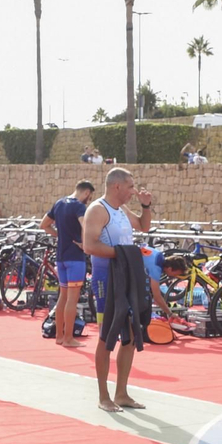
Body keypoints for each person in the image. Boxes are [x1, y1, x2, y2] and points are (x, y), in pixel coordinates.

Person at [81, 167, 154, 412]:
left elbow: (143, 226)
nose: (134, 191)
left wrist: (146, 206)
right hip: (106, 279)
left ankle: (121, 393)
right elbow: (89, 246)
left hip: (126, 276)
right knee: (106, 337)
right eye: (131, 187)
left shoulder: (121, 210)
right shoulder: (97, 210)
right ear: (117, 186)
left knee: (130, 336)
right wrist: (125, 254)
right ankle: (104, 396)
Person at [41, 180, 95, 348]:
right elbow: (85, 225)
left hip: (61, 256)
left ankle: (59, 336)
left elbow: (44, 225)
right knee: (72, 299)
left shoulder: (59, 203)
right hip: (75, 258)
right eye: (89, 197)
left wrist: (60, 235)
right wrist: (85, 244)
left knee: (62, 297)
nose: (88, 200)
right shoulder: (79, 207)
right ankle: (69, 338)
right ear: (86, 193)